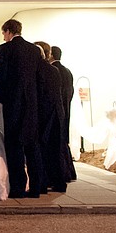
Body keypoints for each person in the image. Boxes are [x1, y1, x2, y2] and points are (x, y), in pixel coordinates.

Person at [0, 19, 43, 198]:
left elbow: (3, 77)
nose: (4, 37)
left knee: (14, 146)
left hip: (13, 104)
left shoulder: (5, 49)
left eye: (3, 33)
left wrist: (3, 99)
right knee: (32, 145)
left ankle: (18, 187)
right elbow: (38, 78)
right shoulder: (33, 50)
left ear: (8, 31)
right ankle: (37, 186)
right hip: (31, 104)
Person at [35, 41, 68, 193]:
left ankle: (43, 183)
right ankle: (59, 182)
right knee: (56, 150)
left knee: (42, 150)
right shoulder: (54, 70)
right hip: (57, 114)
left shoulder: (37, 70)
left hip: (45, 115)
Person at [51, 45, 77, 182]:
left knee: (57, 144)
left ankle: (62, 173)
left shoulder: (54, 71)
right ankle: (69, 171)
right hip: (65, 109)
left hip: (56, 110)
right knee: (62, 142)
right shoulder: (67, 71)